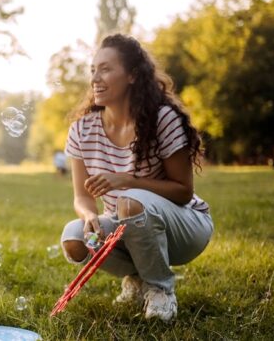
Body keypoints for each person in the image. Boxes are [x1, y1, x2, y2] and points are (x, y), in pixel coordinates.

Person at [59, 34, 213, 322]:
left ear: (132, 75)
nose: (95, 78)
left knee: (129, 202)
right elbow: (81, 196)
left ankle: (160, 290)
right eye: (93, 70)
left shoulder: (162, 119)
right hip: (128, 225)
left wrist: (126, 180)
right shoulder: (82, 129)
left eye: (106, 69)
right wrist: (90, 214)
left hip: (184, 227)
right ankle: (138, 278)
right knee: (73, 238)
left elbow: (182, 191)